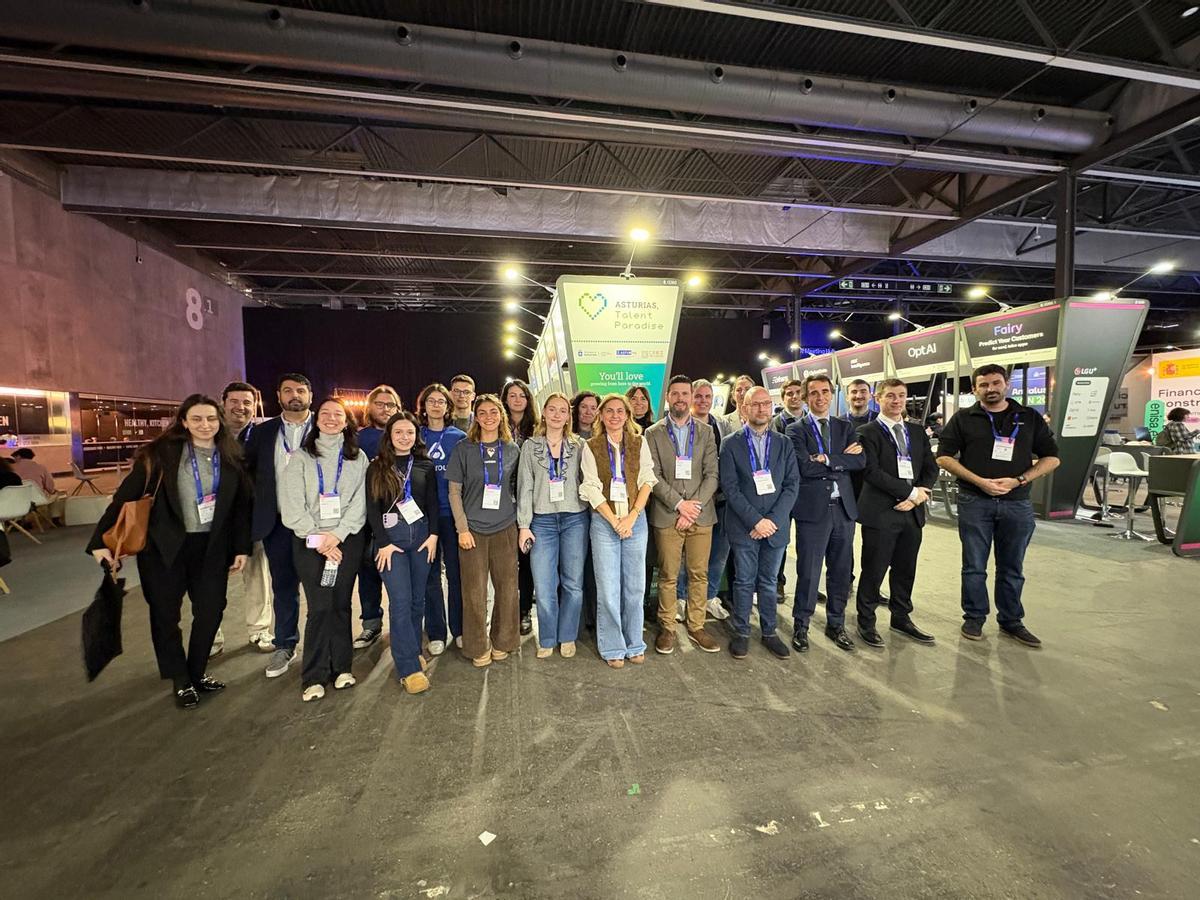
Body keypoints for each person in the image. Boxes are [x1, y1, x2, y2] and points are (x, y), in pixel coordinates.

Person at [87, 394, 250, 710]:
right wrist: (99, 542)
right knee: (165, 615)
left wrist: (241, 547)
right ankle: (180, 679)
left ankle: (196, 672)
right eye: (198, 419)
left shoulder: (232, 457)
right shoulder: (160, 455)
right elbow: (125, 498)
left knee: (211, 611)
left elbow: (241, 508)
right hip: (164, 549)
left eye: (211, 419)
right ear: (184, 422)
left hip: (212, 548)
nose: (205, 425)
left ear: (220, 423)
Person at [936, 365, 1059, 647]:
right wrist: (978, 480)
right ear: (974, 389)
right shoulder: (964, 418)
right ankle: (974, 617)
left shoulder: (1028, 417)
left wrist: (1020, 479)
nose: (990, 388)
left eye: (995, 383)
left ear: (1006, 384)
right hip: (974, 501)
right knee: (974, 566)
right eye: (983, 385)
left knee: (1012, 566)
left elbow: (1052, 457)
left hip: (1016, 503)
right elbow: (944, 457)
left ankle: (1011, 620)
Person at [280, 397, 369, 702]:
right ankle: (314, 674)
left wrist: (338, 534)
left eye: (339, 415)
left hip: (347, 540)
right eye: (326, 414)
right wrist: (319, 538)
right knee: (319, 606)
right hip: (308, 543)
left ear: (347, 422)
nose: (332, 419)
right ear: (316, 420)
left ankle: (342, 667)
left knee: (341, 604)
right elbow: (291, 506)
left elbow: (360, 503)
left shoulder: (358, 458)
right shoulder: (301, 458)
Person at [854, 379, 939, 649]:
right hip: (881, 513)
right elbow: (872, 472)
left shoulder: (916, 432)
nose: (897, 401)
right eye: (890, 396)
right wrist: (909, 493)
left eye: (901, 396)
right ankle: (866, 621)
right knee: (874, 569)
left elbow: (930, 466)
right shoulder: (867, 432)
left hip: (911, 513)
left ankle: (901, 617)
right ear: (878, 399)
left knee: (905, 569)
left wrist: (919, 495)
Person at [719, 386, 800, 660]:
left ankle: (769, 632)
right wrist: (756, 520)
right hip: (744, 527)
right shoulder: (730, 443)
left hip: (776, 528)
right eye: (755, 404)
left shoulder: (784, 443)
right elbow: (730, 488)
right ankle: (741, 632)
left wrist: (772, 521)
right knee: (743, 581)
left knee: (768, 582)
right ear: (744, 408)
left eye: (766, 404)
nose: (762, 409)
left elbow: (791, 485)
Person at [787, 374, 865, 653]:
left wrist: (827, 458)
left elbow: (859, 460)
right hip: (813, 511)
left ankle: (836, 624)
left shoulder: (845, 427)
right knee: (808, 571)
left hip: (843, 510)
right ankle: (802, 625)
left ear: (832, 395)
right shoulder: (796, 430)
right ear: (806, 398)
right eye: (814, 393)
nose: (820, 397)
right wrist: (839, 461)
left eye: (824, 392)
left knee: (841, 572)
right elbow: (803, 467)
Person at [243, 373, 314, 679]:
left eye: (300, 390)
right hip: (278, 524)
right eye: (288, 391)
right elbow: (249, 473)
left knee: (320, 589)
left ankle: (320, 644)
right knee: (284, 587)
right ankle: (285, 645)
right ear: (278, 395)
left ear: (310, 395)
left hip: (316, 525)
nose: (294, 395)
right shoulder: (263, 432)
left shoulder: (325, 426)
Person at [644, 375, 720, 654]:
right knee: (668, 574)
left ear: (690, 397)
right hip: (668, 515)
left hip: (701, 516)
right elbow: (653, 475)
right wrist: (679, 505)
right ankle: (667, 628)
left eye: (684, 394)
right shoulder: (652, 433)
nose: (680, 398)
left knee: (699, 574)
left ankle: (697, 626)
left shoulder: (706, 431)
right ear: (667, 398)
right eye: (674, 394)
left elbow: (712, 474)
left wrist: (693, 506)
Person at [580, 393, 657, 668]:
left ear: (628, 415)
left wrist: (632, 516)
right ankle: (612, 645)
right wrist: (614, 520)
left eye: (620, 411)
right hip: (605, 523)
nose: (615, 416)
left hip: (635, 521)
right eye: (609, 411)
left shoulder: (639, 442)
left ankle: (635, 643)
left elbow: (647, 480)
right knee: (609, 588)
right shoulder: (591, 446)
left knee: (635, 587)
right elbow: (590, 487)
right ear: (601, 415)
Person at [447, 394, 521, 668]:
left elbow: (519, 488)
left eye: (494, 412)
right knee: (475, 592)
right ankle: (477, 645)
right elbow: (454, 492)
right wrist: (462, 528)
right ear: (476, 417)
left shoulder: (512, 449)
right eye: (483, 413)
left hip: (505, 528)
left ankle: (504, 640)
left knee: (507, 589)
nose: (489, 417)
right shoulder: (463, 448)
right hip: (473, 531)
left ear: (501, 415)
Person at [366, 412, 437, 694]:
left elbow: (432, 502)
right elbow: (372, 509)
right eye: (399, 432)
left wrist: (433, 536)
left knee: (417, 600)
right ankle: (408, 667)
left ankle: (411, 648)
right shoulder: (377, 467)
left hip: (421, 537)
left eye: (409, 432)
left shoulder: (425, 465)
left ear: (416, 435)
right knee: (401, 600)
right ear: (389, 435)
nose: (404, 437)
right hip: (391, 542)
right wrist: (383, 542)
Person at [517, 392, 588, 659]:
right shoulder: (530, 447)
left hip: (574, 519)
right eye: (552, 409)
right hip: (542, 521)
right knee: (545, 584)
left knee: (573, 583)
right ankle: (546, 636)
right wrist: (524, 525)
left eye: (563, 410)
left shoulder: (579, 445)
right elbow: (525, 487)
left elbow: (589, 482)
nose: (557, 415)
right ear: (544, 413)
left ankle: (567, 635)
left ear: (569, 416)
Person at [213, 380, 272, 654]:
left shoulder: (262, 437)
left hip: (251, 518)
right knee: (210, 581)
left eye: (247, 402)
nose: (241, 407)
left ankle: (259, 630)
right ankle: (211, 636)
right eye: (235, 401)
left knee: (257, 576)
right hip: (214, 520)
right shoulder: (209, 434)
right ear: (223, 403)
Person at [417, 383, 467, 655]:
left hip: (452, 515)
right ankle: (436, 631)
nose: (436, 405)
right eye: (431, 401)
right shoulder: (416, 435)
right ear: (423, 406)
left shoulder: (458, 436)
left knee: (458, 576)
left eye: (441, 401)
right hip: (424, 517)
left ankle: (459, 629)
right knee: (430, 576)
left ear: (448, 407)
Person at [351, 384, 402, 651]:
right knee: (368, 569)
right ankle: (371, 622)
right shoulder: (359, 438)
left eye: (390, 405)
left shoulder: (404, 433)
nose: (385, 409)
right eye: (380, 404)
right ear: (370, 407)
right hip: (366, 516)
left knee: (401, 573)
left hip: (400, 515)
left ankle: (403, 623)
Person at [677, 378, 732, 621]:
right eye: (698, 396)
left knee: (718, 554)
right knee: (684, 556)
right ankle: (680, 598)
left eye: (707, 397)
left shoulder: (720, 426)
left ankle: (708, 598)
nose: (703, 401)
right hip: (686, 504)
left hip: (717, 501)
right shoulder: (676, 426)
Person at [503, 379, 540, 635]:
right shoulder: (496, 426)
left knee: (525, 559)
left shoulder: (537, 430)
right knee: (506, 562)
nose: (517, 400)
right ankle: (505, 611)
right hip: (502, 504)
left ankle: (524, 610)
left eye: (522, 396)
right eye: (512, 395)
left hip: (530, 502)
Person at [571, 390, 602, 632]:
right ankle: (577, 620)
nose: (588, 411)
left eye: (593, 407)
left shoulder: (603, 438)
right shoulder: (567, 437)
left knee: (595, 566)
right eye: (584, 407)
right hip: (574, 509)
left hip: (599, 509)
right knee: (575, 566)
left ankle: (593, 616)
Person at [8, 448, 65, 525]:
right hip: (37, 499)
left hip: (16, 498)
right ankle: (55, 519)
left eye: (14, 457)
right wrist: (53, 491)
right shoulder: (41, 467)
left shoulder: (10, 468)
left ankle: (17, 521)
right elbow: (50, 487)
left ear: (18, 456)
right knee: (57, 495)